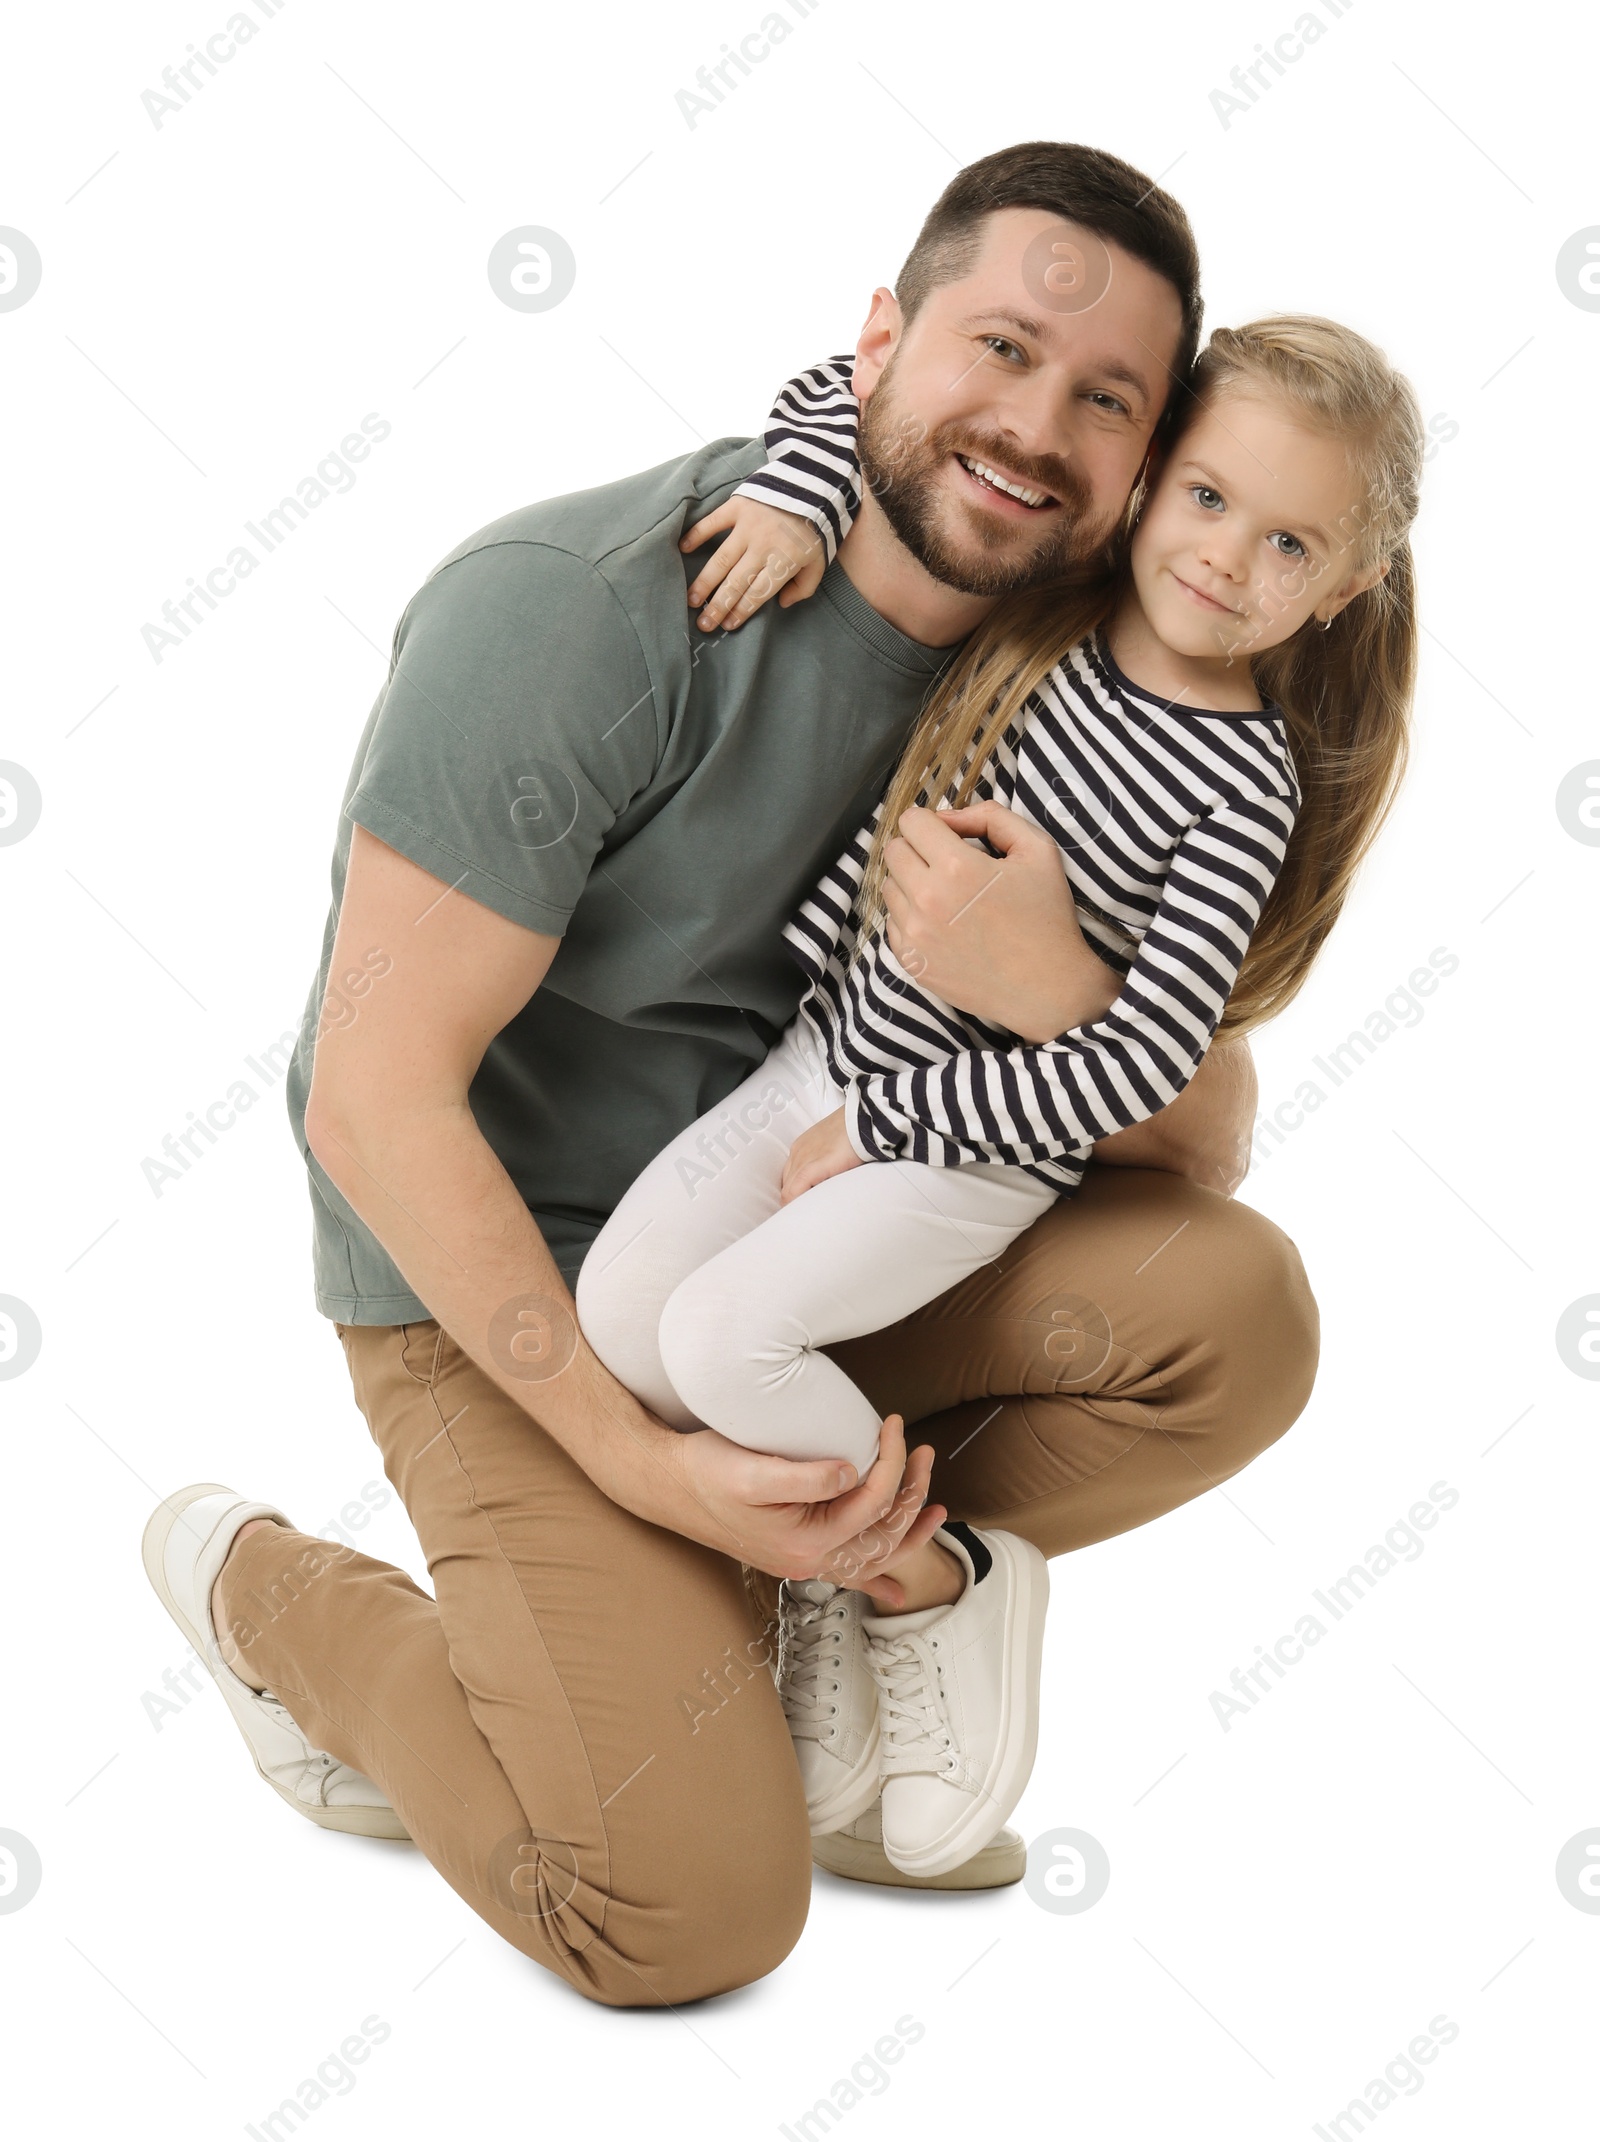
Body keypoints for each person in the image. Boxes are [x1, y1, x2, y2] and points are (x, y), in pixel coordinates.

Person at [139, 141, 1322, 2008]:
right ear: (878, 340)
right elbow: (365, 1100)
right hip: (507, 1293)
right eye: (998, 347)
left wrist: (1044, 977)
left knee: (1232, 1312)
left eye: (1107, 399)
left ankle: (856, 1600)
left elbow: (1206, 1136)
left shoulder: (1087, 666)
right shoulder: (581, 609)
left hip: (813, 1237)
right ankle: (278, 1600)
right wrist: (644, 1466)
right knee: (680, 1916)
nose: (1034, 426)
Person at [575, 315, 1421, 1880]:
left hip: (976, 1146)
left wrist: (892, 1130)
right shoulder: (1051, 622)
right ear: (1153, 475)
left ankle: (923, 1579)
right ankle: (844, 1565)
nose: (1231, 560)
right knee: (625, 1317)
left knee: (716, 1339)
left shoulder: (1241, 789)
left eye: (1291, 541)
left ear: (1344, 587)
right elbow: (860, 386)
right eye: (1212, 499)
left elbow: (1143, 1064)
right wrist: (794, 495)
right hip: (818, 1063)